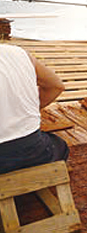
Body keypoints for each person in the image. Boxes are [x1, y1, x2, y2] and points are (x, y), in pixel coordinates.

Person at [0, 44, 69, 174]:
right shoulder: (19, 53)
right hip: (33, 152)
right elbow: (56, 86)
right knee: (59, 146)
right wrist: (24, 112)